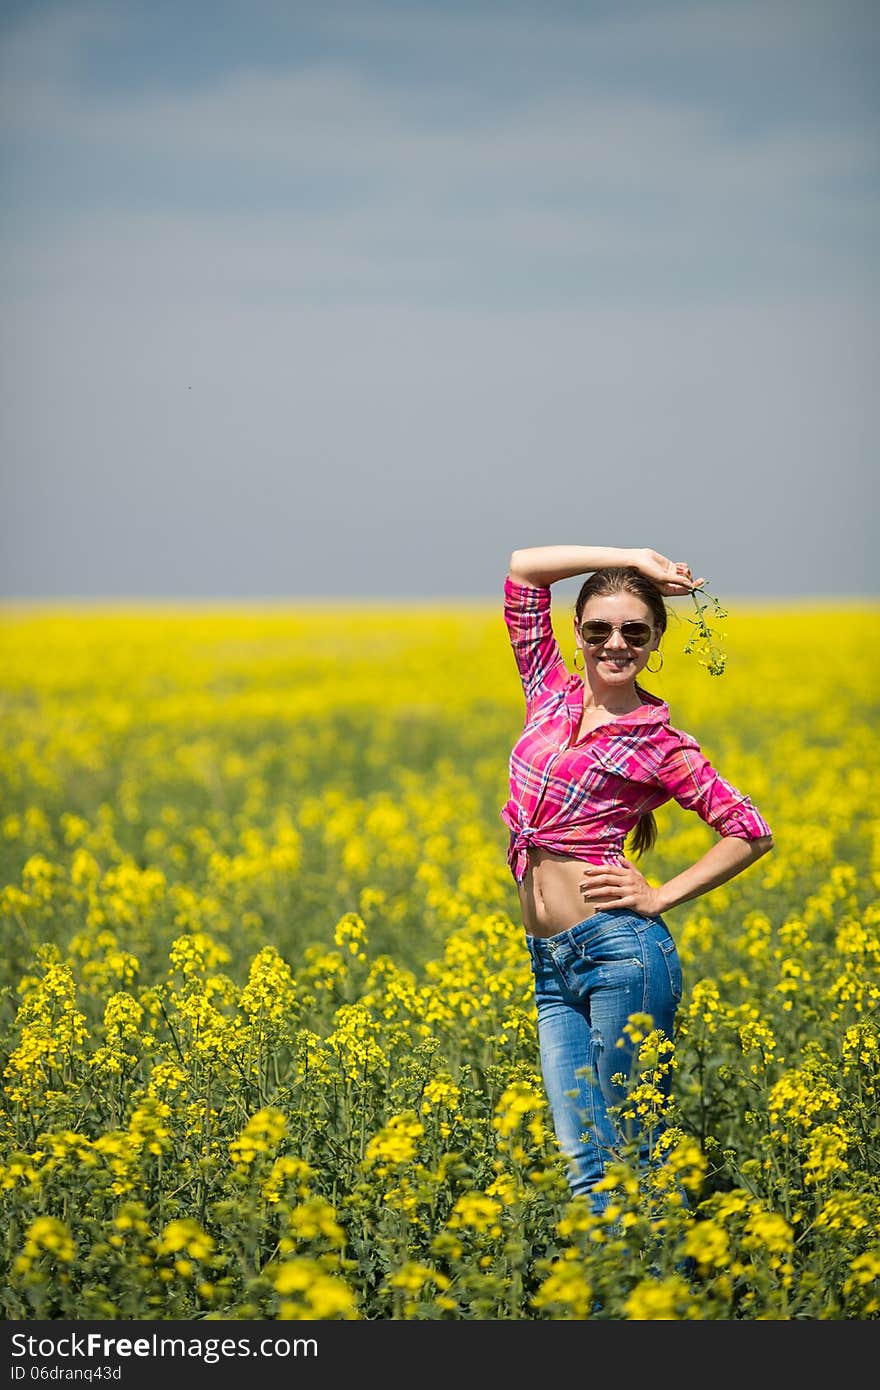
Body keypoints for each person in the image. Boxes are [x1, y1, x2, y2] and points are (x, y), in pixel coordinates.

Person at [501, 544, 773, 1212]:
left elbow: (749, 830)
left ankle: (667, 1302)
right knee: (584, 1167)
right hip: (550, 964)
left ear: (655, 642)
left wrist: (658, 896)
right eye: (598, 629)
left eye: (633, 631)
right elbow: (524, 569)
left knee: (635, 1157)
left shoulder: (659, 741)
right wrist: (632, 559)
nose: (614, 643)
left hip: (620, 956)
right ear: (579, 634)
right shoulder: (548, 691)